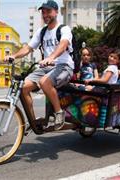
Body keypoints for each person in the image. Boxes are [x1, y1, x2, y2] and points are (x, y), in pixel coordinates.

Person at [5, 0, 73, 130]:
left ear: (56, 12)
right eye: (43, 12)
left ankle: (59, 113)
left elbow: (63, 44)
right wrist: (14, 56)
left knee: (44, 82)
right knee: (23, 87)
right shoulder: (41, 32)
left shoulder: (64, 29)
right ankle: (33, 122)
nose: (45, 14)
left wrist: (51, 57)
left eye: (48, 11)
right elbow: (28, 48)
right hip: (46, 68)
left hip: (64, 66)